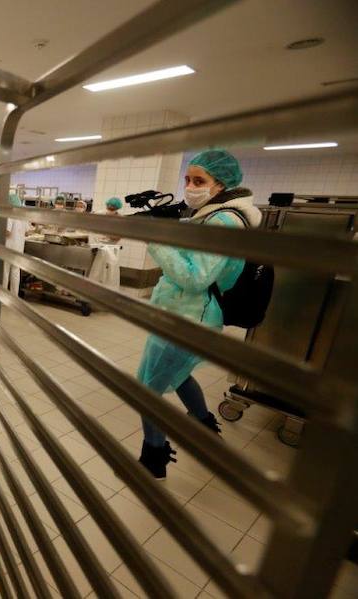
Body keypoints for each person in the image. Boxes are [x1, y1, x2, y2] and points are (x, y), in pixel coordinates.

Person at [137, 149, 261, 479]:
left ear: (221, 184)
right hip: (182, 314)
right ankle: (204, 424)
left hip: (191, 318)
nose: (190, 186)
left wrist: (156, 239)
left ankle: (155, 453)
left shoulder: (225, 222)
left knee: (147, 390)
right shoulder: (212, 214)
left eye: (199, 181)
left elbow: (196, 277)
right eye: (188, 179)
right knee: (178, 375)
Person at [3, 193, 29, 295]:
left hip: (9, 247)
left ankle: (4, 295)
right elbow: (27, 232)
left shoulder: (10, 214)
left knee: (5, 272)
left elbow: (7, 232)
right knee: (15, 271)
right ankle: (14, 295)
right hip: (19, 247)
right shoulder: (22, 214)